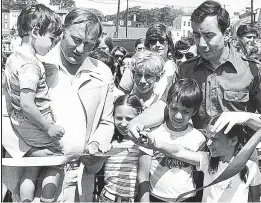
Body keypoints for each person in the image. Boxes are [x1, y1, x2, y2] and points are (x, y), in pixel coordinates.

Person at [3, 7, 114, 202]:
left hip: (80, 180)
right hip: (36, 175)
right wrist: (30, 150)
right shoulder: (32, 63)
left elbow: (106, 122)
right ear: (63, 31)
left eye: (89, 44)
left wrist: (96, 145)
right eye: (76, 40)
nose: (81, 49)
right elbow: (5, 114)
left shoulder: (103, 73)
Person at [128, 0, 261, 140]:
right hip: (196, 153)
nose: (202, 44)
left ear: (226, 33)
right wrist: (138, 122)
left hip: (238, 157)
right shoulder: (186, 70)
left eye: (209, 36)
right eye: (197, 35)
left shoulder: (252, 70)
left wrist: (247, 118)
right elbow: (165, 106)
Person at [4, 4, 63, 202]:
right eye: (52, 38)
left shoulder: (13, 58)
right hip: (36, 123)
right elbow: (28, 104)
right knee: (55, 162)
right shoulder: (30, 64)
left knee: (32, 164)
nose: (53, 44)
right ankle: (47, 200)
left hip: (21, 123)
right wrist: (49, 127)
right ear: (36, 31)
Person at [143, 114, 261, 203]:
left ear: (233, 141)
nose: (208, 143)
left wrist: (248, 118)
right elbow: (178, 151)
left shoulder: (251, 168)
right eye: (208, 137)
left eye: (214, 139)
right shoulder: (207, 161)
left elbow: (255, 200)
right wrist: (154, 144)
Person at [138, 78, 206, 202]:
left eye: (186, 112)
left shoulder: (198, 138)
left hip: (187, 199)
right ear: (167, 104)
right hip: (156, 198)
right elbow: (143, 175)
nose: (178, 116)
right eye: (174, 108)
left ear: (194, 111)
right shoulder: (152, 134)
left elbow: (199, 176)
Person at [99, 94, 143, 202]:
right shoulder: (110, 142)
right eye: (119, 118)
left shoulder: (142, 144)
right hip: (108, 198)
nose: (123, 123)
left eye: (129, 119)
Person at [119, 23, 176, 97]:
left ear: (169, 43)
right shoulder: (135, 64)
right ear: (147, 44)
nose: (158, 45)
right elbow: (122, 94)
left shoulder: (174, 68)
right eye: (153, 41)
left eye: (162, 41)